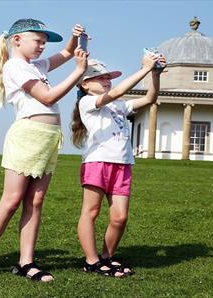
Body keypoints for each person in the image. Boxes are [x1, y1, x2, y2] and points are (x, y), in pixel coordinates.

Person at [0, 18, 87, 282]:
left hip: (49, 138)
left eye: (44, 43)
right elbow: (47, 97)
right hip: (28, 136)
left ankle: (26, 262)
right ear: (17, 40)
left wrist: (74, 39)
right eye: (38, 41)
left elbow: (65, 53)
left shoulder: (36, 66)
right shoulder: (15, 67)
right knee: (10, 201)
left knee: (35, 201)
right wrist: (79, 72)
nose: (42, 47)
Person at [71, 56, 165, 277]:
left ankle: (106, 257)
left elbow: (151, 98)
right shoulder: (86, 103)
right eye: (100, 77)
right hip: (97, 162)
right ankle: (91, 261)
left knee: (120, 217)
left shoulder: (120, 106)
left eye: (108, 77)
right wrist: (144, 68)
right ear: (85, 84)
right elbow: (117, 92)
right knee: (91, 212)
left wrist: (154, 74)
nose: (106, 80)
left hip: (123, 164)